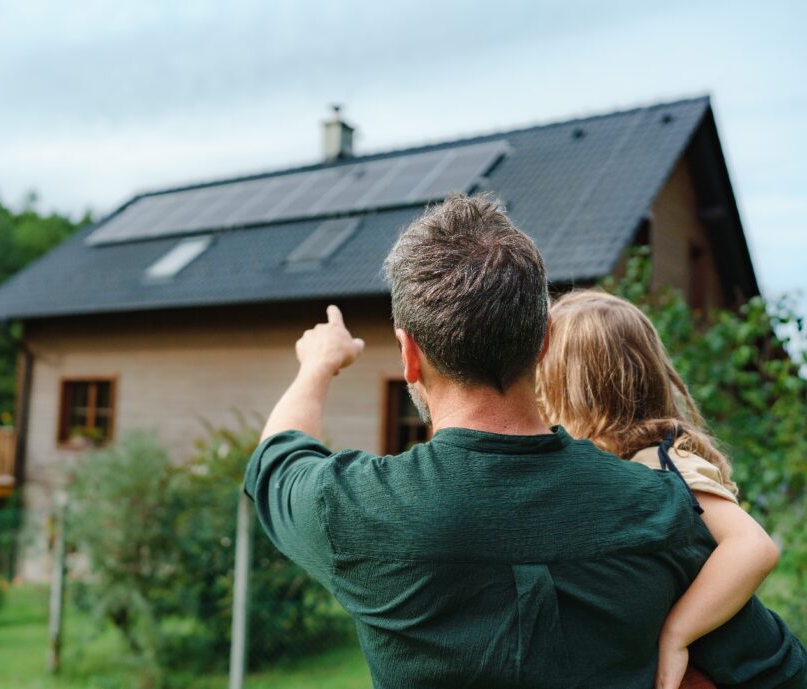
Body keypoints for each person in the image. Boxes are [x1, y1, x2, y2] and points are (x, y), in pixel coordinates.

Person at [243, 194, 805, 688]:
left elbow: (279, 454)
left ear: (409, 355)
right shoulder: (659, 506)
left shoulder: (354, 509)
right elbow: (781, 671)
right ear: (540, 344)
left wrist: (318, 365)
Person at [535, 290, 781, 689]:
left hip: (754, 674)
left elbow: (753, 548)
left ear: (572, 390)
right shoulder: (622, 465)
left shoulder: (663, 463)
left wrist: (676, 635)